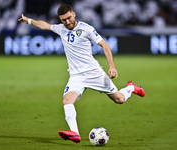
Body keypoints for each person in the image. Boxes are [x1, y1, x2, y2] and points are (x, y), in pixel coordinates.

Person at [18, 4, 145, 143]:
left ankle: (131, 87)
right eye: (63, 20)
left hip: (94, 73)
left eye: (68, 18)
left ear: (74, 14)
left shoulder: (86, 28)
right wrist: (29, 21)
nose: (67, 22)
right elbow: (44, 25)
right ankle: (74, 133)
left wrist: (112, 67)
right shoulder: (61, 29)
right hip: (76, 77)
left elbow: (104, 45)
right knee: (67, 101)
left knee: (119, 99)